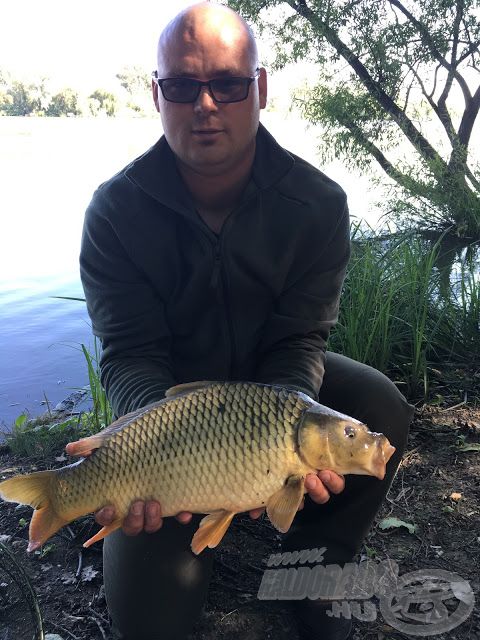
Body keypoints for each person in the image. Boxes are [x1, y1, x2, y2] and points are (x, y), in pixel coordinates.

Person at [71, 3, 414, 639]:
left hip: (273, 392)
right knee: (155, 627)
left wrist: (286, 439)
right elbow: (129, 354)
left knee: (379, 407)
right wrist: (149, 441)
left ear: (258, 89)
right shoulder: (115, 213)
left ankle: (310, 566)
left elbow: (299, 340)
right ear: (157, 94)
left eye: (227, 83)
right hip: (171, 409)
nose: (206, 105)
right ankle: (183, 526)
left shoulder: (317, 204)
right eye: (183, 85)